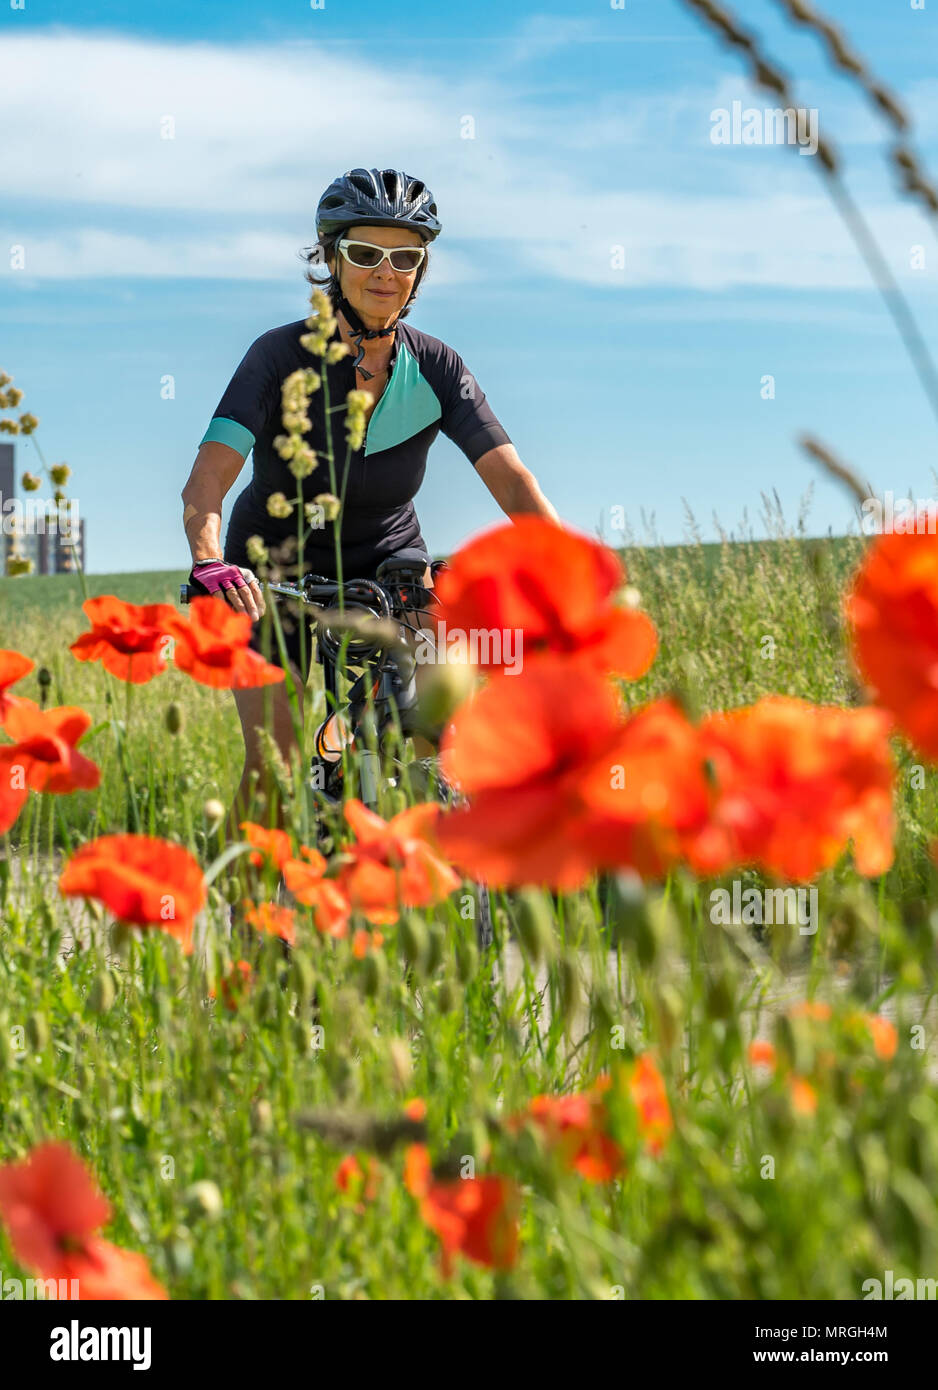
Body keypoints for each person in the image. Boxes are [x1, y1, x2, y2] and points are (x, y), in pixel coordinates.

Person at [180, 167, 558, 834]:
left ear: (421, 270)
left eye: (406, 257)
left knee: (435, 730)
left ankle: (425, 894)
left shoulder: (437, 366)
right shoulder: (278, 357)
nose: (386, 272)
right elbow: (209, 476)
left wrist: (567, 577)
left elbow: (513, 481)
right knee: (277, 760)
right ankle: (246, 913)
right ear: (332, 259)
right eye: (365, 254)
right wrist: (211, 561)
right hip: (270, 573)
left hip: (391, 566)